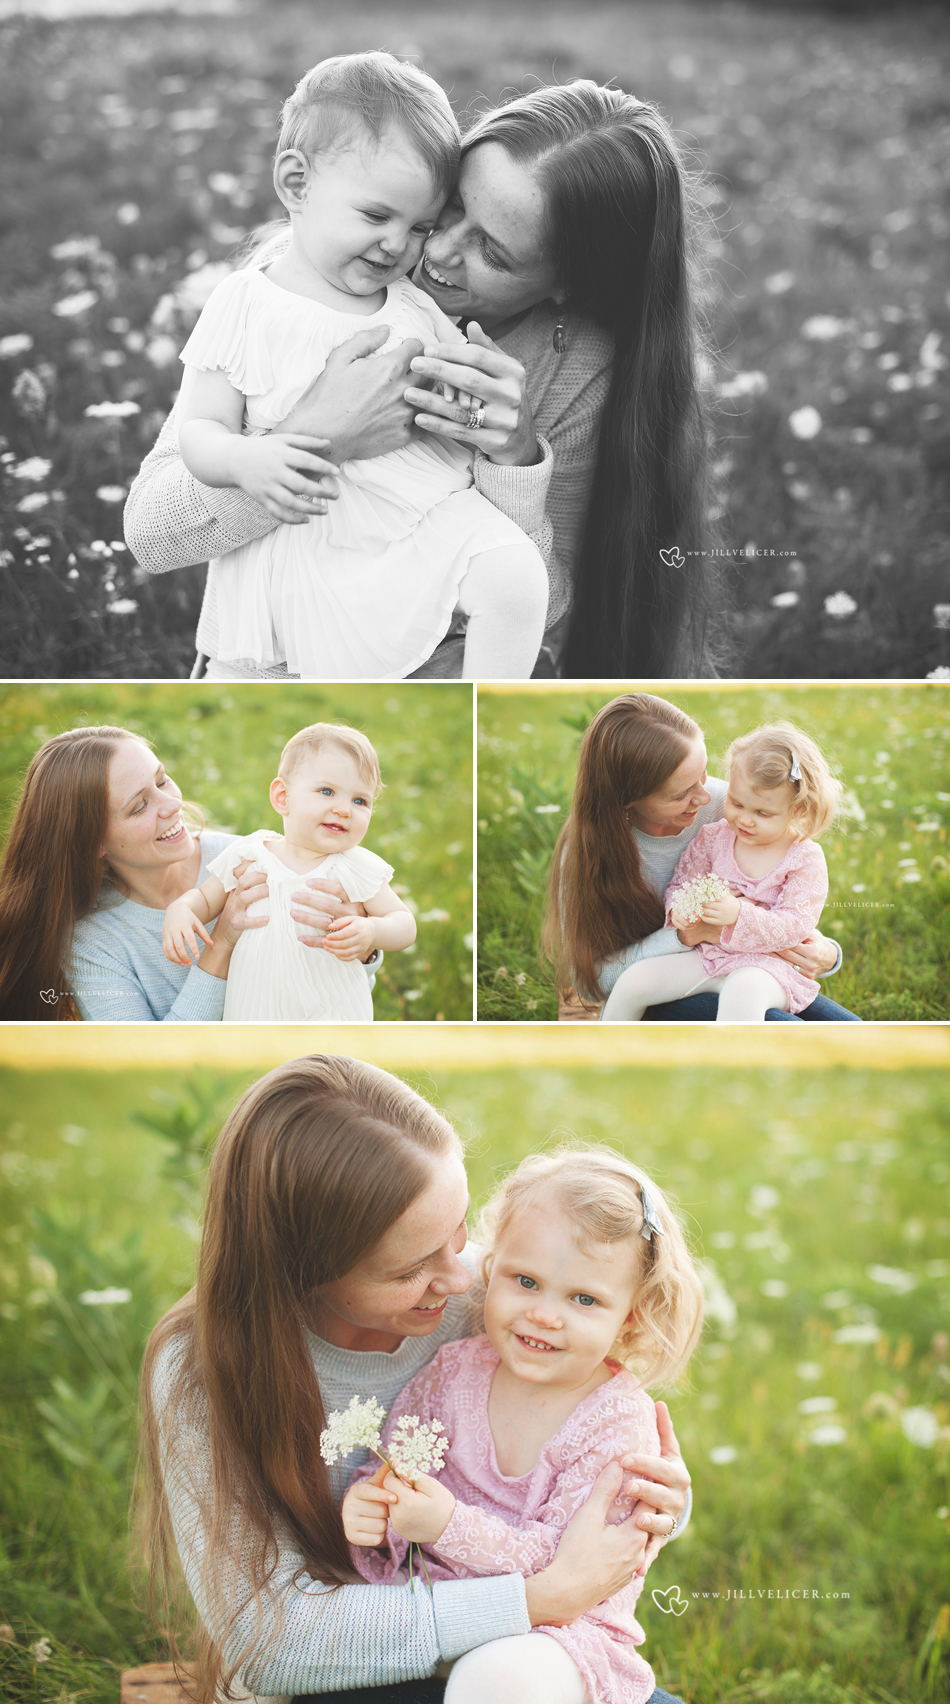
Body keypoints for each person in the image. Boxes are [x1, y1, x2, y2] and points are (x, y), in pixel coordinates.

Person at [124, 79, 722, 681]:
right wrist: (321, 438)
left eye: (493, 251)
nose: (434, 250)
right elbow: (153, 537)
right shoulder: (312, 277)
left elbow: (540, 600)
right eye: (452, 208)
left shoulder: (580, 367)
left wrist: (514, 458)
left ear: (566, 283)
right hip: (280, 648)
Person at [138, 1056, 693, 1704]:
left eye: (459, 1231)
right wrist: (538, 1598)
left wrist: (655, 1510)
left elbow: (588, 1461)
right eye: (408, 1270)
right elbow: (270, 1641)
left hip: (532, 1653)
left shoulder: (510, 1301)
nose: (464, 1278)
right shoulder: (205, 1371)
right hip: (353, 1665)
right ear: (303, 1271)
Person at [171, 53, 548, 682]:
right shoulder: (246, 300)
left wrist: (471, 394)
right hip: (306, 528)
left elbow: (448, 405)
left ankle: (488, 712)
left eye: (421, 225)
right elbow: (197, 430)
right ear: (296, 185)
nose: (398, 245)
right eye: (376, 216)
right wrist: (250, 458)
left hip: (414, 520)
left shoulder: (412, 303)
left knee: (516, 578)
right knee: (264, 662)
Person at [344, 1145, 704, 1704]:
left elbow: (569, 1566)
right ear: (491, 1268)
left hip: (556, 1639)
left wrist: (445, 1525)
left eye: (584, 1299)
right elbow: (395, 1464)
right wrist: (372, 1504)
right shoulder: (455, 1369)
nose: (544, 1314)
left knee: (499, 1681)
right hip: (441, 1614)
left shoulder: (616, 1423)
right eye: (526, 1281)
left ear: (628, 1317)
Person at [0, 726, 377, 1021]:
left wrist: (358, 945)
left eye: (162, 780)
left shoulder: (245, 857)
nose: (172, 804)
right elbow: (149, 1060)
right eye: (139, 806)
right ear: (93, 842)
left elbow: (331, 993)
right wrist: (223, 940)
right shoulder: (93, 945)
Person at [543, 694, 860, 1022]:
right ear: (627, 800)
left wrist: (827, 953)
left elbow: (794, 917)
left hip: (763, 967)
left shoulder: (734, 805)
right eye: (681, 794)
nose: (707, 797)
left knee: (848, 1028)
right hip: (688, 966)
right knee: (779, 1026)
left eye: (704, 774)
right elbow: (591, 984)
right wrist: (684, 927)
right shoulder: (588, 853)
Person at [163, 722, 415, 1021]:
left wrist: (372, 930)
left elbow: (404, 924)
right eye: (327, 791)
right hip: (255, 1007)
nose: (345, 809)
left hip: (334, 1008)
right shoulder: (250, 854)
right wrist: (181, 908)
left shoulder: (354, 865)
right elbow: (205, 901)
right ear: (283, 797)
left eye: (360, 800)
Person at [601, 723, 841, 1022]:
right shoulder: (715, 837)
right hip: (707, 956)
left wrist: (738, 913)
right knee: (633, 982)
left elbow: (795, 925)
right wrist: (680, 908)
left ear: (799, 810)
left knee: (743, 993)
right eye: (736, 803)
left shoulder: (804, 857)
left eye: (763, 814)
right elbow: (683, 881)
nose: (745, 820)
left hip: (766, 969)